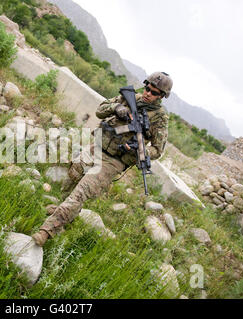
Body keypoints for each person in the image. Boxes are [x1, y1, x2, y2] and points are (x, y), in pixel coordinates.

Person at [31, 72, 173, 247]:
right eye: (147, 88)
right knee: (72, 178)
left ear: (162, 96)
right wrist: (116, 108)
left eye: (154, 92)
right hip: (98, 146)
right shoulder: (129, 97)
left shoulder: (160, 118)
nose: (148, 93)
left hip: (115, 160)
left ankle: (47, 231)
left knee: (81, 192)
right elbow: (100, 111)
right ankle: (63, 211)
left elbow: (158, 150)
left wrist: (139, 148)